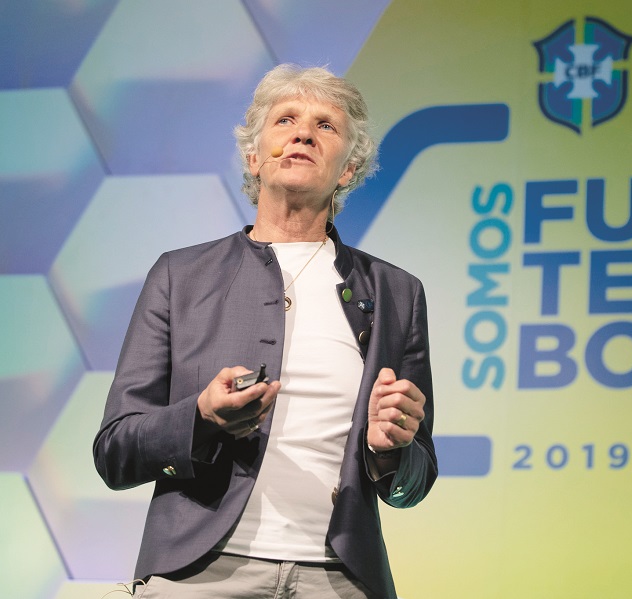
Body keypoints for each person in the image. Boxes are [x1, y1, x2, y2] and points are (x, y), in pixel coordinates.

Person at [93, 64, 437, 599]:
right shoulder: (180, 276)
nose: (303, 134)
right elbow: (115, 453)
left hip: (341, 577)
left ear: (348, 170)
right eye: (286, 120)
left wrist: (391, 450)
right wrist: (201, 418)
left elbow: (414, 481)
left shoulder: (397, 293)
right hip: (199, 572)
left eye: (326, 126)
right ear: (255, 158)